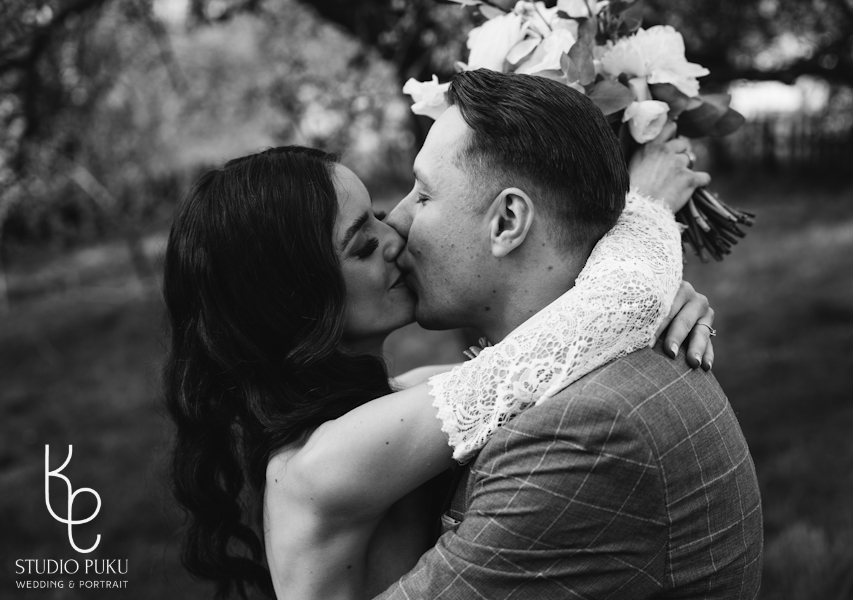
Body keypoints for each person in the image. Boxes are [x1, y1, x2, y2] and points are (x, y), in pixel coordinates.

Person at [162, 80, 720, 600]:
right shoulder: (323, 463)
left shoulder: (399, 398)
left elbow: (563, 342)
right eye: (362, 246)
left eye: (380, 214)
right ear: (295, 304)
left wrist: (653, 297)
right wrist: (644, 209)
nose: (395, 233)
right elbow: (604, 316)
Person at [370, 69, 763, 599]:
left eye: (422, 195)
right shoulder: (588, 373)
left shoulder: (581, 432)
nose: (394, 223)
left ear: (507, 221)